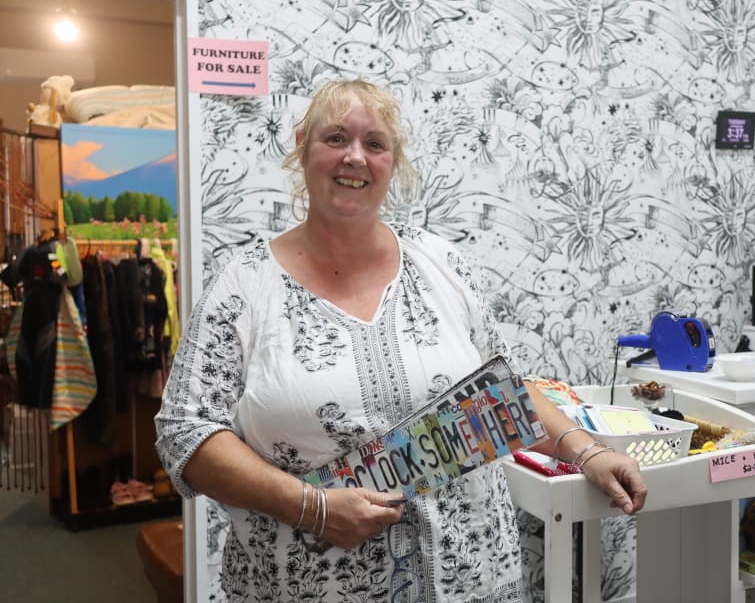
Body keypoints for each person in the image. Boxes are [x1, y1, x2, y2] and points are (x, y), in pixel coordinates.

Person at [154, 78, 647, 602]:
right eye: (336, 138)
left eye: (375, 144)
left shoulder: (441, 264)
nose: (355, 158)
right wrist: (310, 506)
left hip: (470, 579)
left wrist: (588, 452)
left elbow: (501, 396)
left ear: (394, 161)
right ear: (303, 145)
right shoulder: (246, 284)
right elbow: (185, 433)